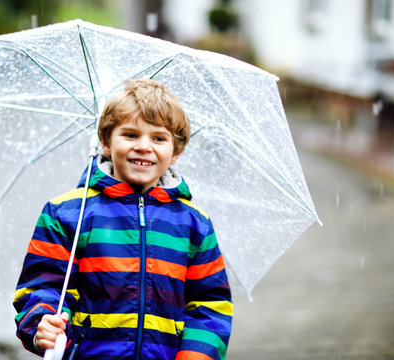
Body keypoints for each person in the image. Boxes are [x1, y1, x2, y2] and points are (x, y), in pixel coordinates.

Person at [13, 78, 233, 360]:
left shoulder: (194, 225)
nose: (143, 147)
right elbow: (41, 285)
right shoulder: (67, 214)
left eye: (158, 138)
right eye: (130, 135)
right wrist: (41, 321)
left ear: (175, 152)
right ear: (105, 142)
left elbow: (210, 304)